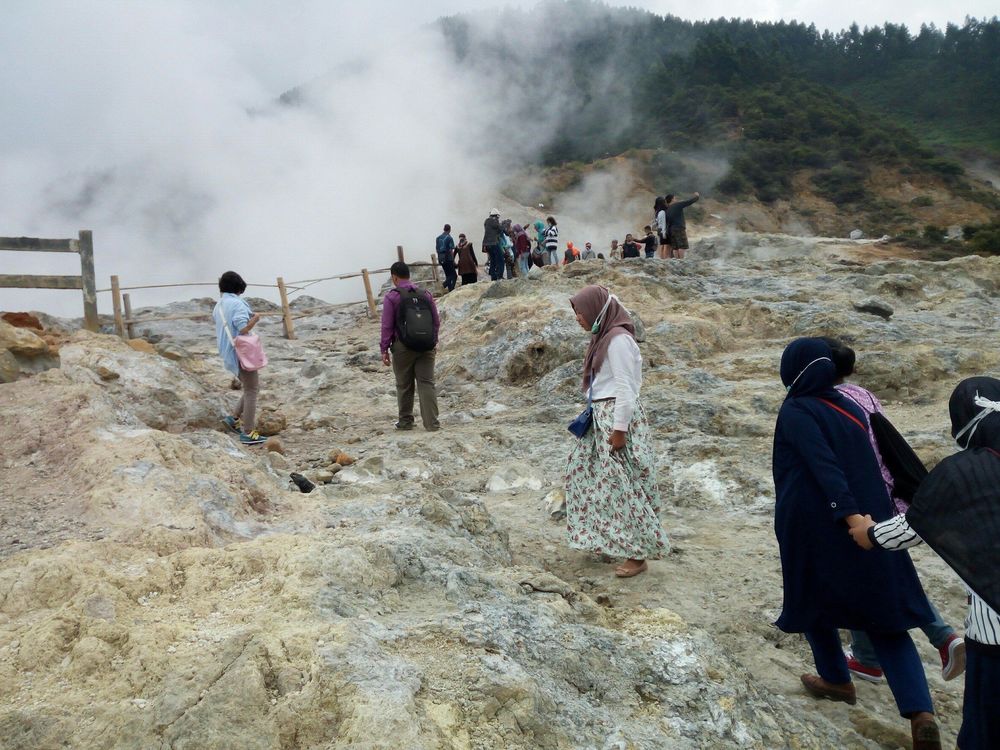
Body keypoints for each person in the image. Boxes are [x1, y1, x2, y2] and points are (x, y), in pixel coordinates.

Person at [773, 337, 941, 750]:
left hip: (819, 526)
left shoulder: (796, 410)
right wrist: (869, 522)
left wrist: (849, 517)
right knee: (885, 618)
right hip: (874, 523)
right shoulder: (849, 407)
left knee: (814, 605)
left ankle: (835, 679)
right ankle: (920, 711)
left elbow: (824, 467)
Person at [850, 377, 1000, 750]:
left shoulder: (965, 472)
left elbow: (915, 525)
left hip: (993, 632)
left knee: (983, 731)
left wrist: (869, 533)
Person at [820, 338, 964, 684]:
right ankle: (868, 658)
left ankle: (942, 636)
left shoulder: (822, 403)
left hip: (855, 500)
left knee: (876, 574)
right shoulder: (864, 394)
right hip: (885, 490)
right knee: (871, 571)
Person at [564, 285, 668, 578]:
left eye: (580, 312)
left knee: (624, 488)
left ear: (596, 309)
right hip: (602, 418)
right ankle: (606, 539)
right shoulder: (603, 338)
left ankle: (637, 554)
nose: (578, 318)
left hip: (617, 421)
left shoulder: (618, 340)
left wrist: (620, 430)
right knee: (585, 477)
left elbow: (626, 388)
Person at [380, 261, 441, 431]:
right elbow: (436, 321)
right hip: (426, 346)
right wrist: (433, 341)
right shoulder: (426, 294)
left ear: (394, 277)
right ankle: (432, 424)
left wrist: (384, 349)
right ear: (409, 275)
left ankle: (406, 421)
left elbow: (387, 326)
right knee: (427, 383)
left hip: (403, 348)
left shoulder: (392, 296)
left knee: (404, 384)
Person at [213, 271, 267, 445]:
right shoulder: (237, 305)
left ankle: (233, 418)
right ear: (239, 287)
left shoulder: (219, 305)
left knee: (250, 387)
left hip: (228, 351)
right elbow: (243, 328)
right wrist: (256, 318)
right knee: (252, 390)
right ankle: (248, 432)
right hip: (241, 353)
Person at [664, 192, 700, 259]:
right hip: (679, 228)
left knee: (675, 247)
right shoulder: (677, 205)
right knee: (681, 246)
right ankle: (681, 260)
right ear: (672, 199)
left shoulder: (667, 210)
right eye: (674, 198)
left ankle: (677, 261)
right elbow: (688, 202)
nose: (676, 199)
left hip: (671, 230)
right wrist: (696, 197)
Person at [483, 209, 504, 281]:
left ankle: (493, 277)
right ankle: (500, 276)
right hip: (494, 243)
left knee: (492, 260)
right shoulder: (494, 221)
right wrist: (502, 224)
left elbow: (495, 230)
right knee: (501, 259)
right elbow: (500, 229)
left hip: (486, 244)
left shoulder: (486, 221)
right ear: (496, 216)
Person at [436, 224, 457, 292]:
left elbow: (437, 249)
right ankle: (444, 285)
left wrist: (440, 257)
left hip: (441, 259)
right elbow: (451, 250)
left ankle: (450, 290)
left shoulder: (438, 238)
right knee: (454, 275)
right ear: (450, 229)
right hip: (448, 259)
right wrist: (453, 260)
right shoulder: (449, 238)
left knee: (448, 275)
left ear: (443, 229)